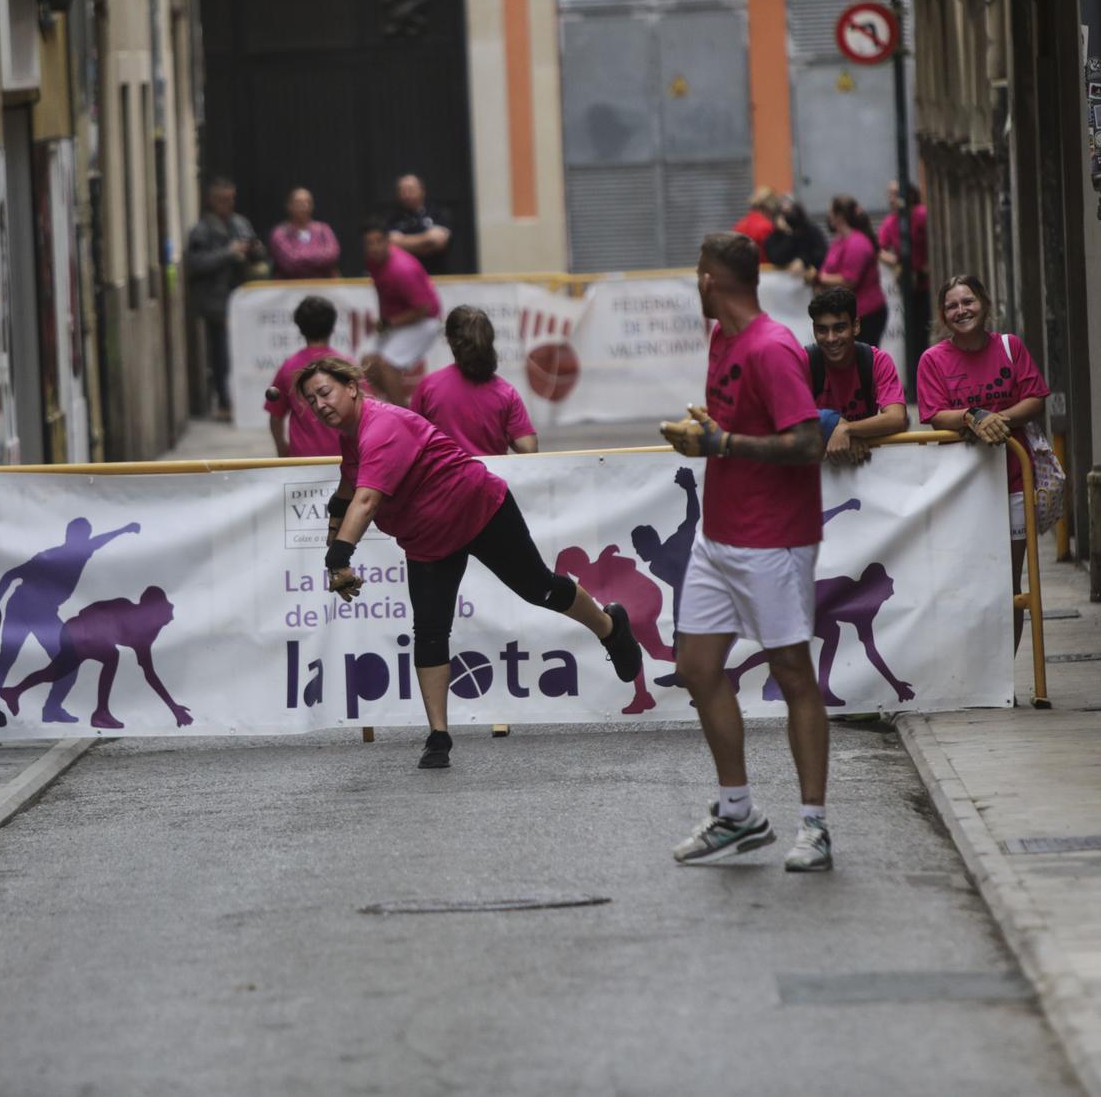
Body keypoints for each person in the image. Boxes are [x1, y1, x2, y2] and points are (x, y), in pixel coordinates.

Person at [299, 356, 643, 769]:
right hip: (428, 541)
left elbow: (367, 500)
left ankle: (610, 627)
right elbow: (346, 492)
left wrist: (340, 554)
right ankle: (438, 737)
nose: (319, 405)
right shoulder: (351, 438)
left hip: (479, 509)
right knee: (428, 630)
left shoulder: (382, 425)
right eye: (311, 401)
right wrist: (332, 553)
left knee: (540, 588)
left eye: (325, 393)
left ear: (351, 387)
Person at [657, 232, 833, 872]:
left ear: (710, 280)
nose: (694, 285)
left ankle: (814, 826)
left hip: (774, 540)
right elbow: (739, 427)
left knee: (792, 674)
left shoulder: (771, 347)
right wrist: (710, 431)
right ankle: (738, 814)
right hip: (719, 535)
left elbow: (806, 443)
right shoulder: (722, 340)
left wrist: (723, 444)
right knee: (699, 669)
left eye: (697, 275)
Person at [917, 273, 1050, 649]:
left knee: (1008, 582)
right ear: (943, 317)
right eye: (952, 306)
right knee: (965, 582)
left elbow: (1035, 399)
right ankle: (972, 671)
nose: (961, 310)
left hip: (1012, 482)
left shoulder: (1010, 347)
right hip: (960, 488)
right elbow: (934, 414)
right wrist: (974, 417)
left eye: (968, 301)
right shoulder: (932, 360)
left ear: (985, 304)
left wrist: (997, 420)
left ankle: (1002, 678)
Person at [410, 305, 539, 457]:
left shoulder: (429, 386)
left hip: (442, 478)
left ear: (450, 341)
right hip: (491, 478)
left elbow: (411, 439)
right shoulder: (506, 393)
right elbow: (528, 448)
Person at [186, 175, 262, 421]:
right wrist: (228, 253)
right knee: (221, 353)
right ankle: (224, 400)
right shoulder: (202, 229)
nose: (227, 205)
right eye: (222, 200)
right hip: (216, 302)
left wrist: (253, 249)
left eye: (230, 200)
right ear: (211, 201)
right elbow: (196, 263)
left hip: (243, 298)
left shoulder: (241, 224)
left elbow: (259, 253)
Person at [806, 285, 908, 465]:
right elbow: (785, 416)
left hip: (864, 468)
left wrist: (846, 431)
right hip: (813, 472)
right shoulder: (803, 362)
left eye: (839, 328)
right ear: (814, 330)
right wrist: (834, 426)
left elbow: (897, 418)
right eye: (822, 330)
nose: (831, 338)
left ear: (856, 326)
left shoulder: (877, 361)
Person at [360, 218, 441, 405]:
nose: (374, 247)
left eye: (378, 242)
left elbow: (423, 309)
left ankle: (404, 419)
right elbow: (382, 292)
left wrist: (388, 323)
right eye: (369, 243)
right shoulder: (373, 262)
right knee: (368, 363)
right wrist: (384, 321)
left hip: (425, 321)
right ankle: (401, 408)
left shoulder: (403, 270)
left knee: (388, 366)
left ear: (388, 242)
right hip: (399, 319)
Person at [265, 296, 348, 457]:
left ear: (300, 328)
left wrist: (282, 450)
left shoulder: (288, 367)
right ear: (332, 327)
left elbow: (275, 417)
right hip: (343, 458)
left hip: (303, 463)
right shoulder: (346, 366)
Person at [878, 181, 930, 396]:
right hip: (907, 287)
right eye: (889, 194)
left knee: (924, 334)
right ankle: (914, 387)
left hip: (925, 283)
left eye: (894, 193)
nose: (891, 198)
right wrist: (897, 263)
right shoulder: (891, 222)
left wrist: (923, 268)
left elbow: (933, 242)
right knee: (911, 337)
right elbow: (878, 248)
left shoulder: (921, 214)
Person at [817, 194, 888, 349]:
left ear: (839, 216)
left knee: (864, 360)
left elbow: (849, 281)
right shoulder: (840, 240)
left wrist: (820, 278)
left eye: (831, 213)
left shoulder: (857, 243)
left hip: (867, 314)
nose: (828, 217)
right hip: (851, 313)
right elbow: (827, 268)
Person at [268, 186, 341, 281]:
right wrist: (319, 258)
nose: (304, 205)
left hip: (323, 285)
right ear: (289, 205)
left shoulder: (323, 229)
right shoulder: (279, 233)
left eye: (308, 202)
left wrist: (302, 258)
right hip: (290, 287)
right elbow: (290, 262)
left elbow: (332, 255)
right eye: (299, 202)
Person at [388, 173, 454, 273]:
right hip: (404, 277)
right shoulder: (392, 218)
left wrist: (403, 242)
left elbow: (438, 242)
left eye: (410, 190)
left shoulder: (437, 213)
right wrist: (426, 240)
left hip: (436, 276)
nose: (406, 195)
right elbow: (390, 245)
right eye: (402, 190)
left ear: (422, 191)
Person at [764, 196, 828, 279]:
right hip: (784, 281)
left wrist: (803, 261)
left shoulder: (811, 230)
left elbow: (821, 255)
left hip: (810, 280)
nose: (788, 217)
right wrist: (788, 233)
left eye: (790, 212)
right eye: (784, 213)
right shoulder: (772, 238)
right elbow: (776, 258)